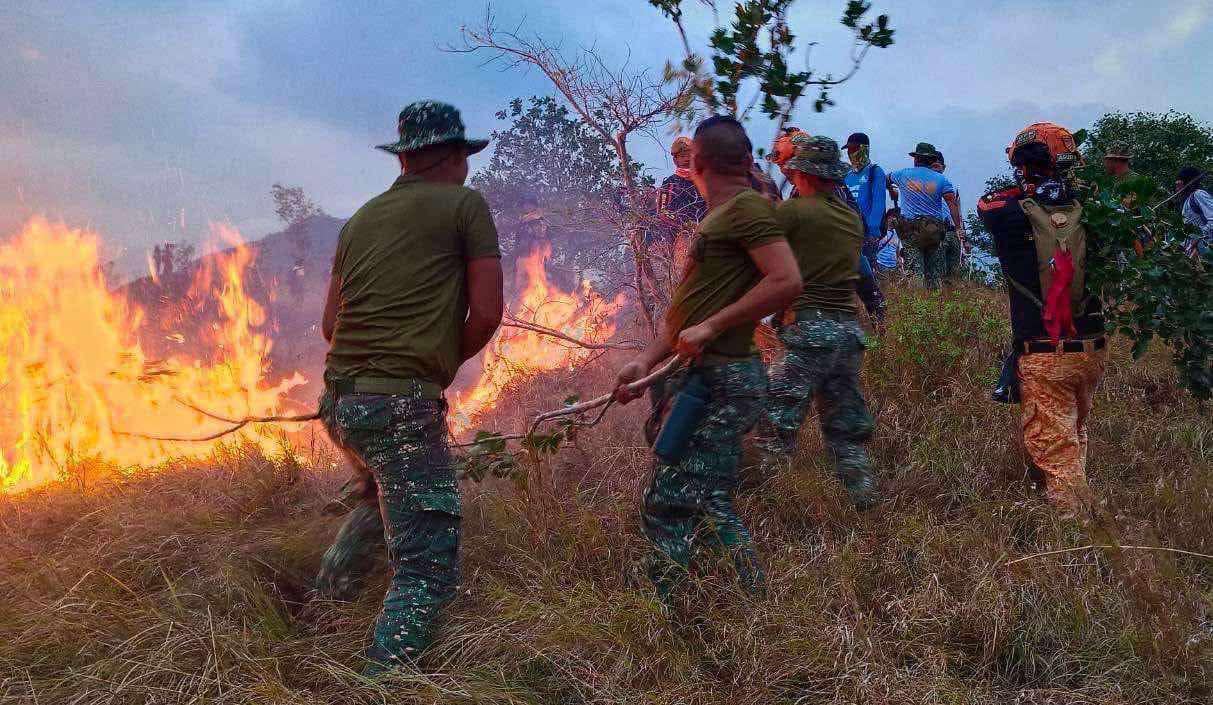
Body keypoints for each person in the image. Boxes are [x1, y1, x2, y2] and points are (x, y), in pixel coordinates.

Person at [315, 100, 504, 674]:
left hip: (339, 404)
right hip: (399, 406)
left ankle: (322, 609)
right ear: (450, 155)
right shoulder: (465, 206)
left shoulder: (361, 220)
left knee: (382, 492)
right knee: (427, 563)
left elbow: (330, 326)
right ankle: (382, 680)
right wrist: (436, 365)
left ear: (404, 158)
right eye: (464, 156)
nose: (468, 168)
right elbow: (489, 312)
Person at [614, 115, 802, 600]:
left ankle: (668, 617)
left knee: (669, 501)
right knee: (711, 496)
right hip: (697, 373)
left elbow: (785, 281)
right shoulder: (719, 216)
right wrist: (646, 362)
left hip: (718, 378)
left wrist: (714, 327)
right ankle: (750, 604)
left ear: (695, 162)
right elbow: (689, 308)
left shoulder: (745, 210)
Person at [977, 122, 1106, 514]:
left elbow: (987, 204)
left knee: (1055, 447)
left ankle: (1079, 535)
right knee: (1074, 433)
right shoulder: (1095, 211)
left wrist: (1031, 185)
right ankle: (1077, 506)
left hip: (1043, 352)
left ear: (1021, 162)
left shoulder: (1005, 211)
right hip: (1091, 351)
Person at [754, 135, 878, 510]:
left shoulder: (794, 213)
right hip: (848, 335)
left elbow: (763, 244)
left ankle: (768, 511)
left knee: (773, 424)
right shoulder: (849, 219)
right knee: (844, 432)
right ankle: (864, 501)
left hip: (809, 332)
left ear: (802, 174)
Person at [887, 142, 966, 289]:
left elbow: (885, 179)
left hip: (910, 230)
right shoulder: (942, 180)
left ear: (916, 159)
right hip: (934, 231)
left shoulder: (902, 174)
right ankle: (936, 306)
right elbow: (952, 205)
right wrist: (958, 228)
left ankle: (917, 305)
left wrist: (892, 191)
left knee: (915, 272)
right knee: (934, 273)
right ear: (932, 160)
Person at [929, 151, 966, 285]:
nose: (936, 169)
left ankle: (953, 299)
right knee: (937, 269)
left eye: (938, 166)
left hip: (953, 231)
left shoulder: (952, 187)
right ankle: (938, 300)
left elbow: (959, 212)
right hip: (936, 230)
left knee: (954, 270)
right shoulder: (927, 186)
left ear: (944, 167)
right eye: (933, 166)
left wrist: (963, 236)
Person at [1177, 166, 1213, 259]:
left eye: (1179, 182)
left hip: (1206, 247)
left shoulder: (1198, 194)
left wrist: (1198, 239)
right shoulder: (1186, 201)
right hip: (1194, 251)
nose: (1176, 186)